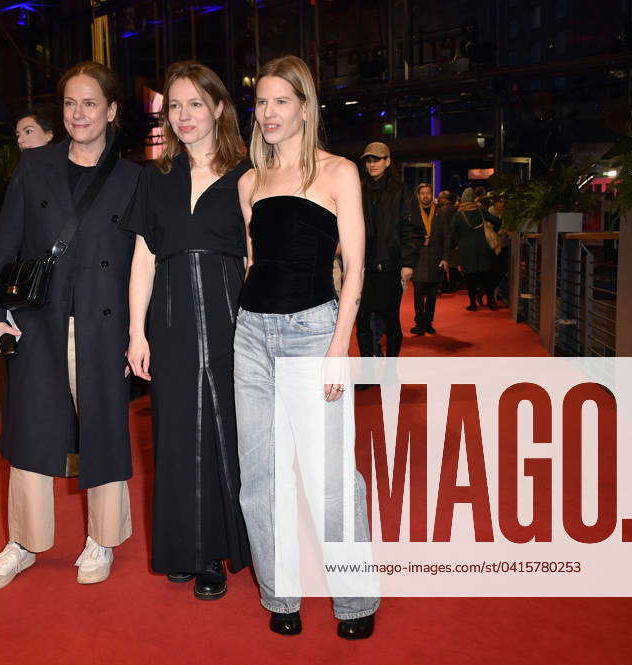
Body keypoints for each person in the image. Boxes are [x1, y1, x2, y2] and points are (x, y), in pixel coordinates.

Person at [0, 61, 141, 590]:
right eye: (70, 103)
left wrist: (142, 332)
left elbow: (148, 260)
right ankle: (23, 543)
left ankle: (103, 539)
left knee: (104, 429)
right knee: (29, 429)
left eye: (90, 103)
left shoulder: (135, 178)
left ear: (112, 111)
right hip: (38, 321)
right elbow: (4, 244)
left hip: (104, 324)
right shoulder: (35, 165)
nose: (79, 113)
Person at [234, 55, 378, 639]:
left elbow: (357, 265)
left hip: (314, 329)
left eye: (280, 102)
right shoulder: (249, 181)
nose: (268, 113)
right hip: (251, 337)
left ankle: (354, 600)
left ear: (304, 107)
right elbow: (250, 261)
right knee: (260, 475)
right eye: (262, 103)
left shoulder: (339, 172)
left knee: (330, 475)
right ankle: (279, 592)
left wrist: (341, 343)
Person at [123, 61, 251, 600]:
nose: (183, 115)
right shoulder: (155, 179)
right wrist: (136, 333)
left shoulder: (248, 174)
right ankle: (185, 549)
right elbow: (143, 259)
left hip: (231, 320)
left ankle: (217, 554)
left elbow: (254, 260)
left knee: (227, 434)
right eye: (174, 106)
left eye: (195, 103)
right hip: (171, 323)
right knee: (177, 439)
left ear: (219, 107)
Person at [355, 141, 422, 358]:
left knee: (391, 320)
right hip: (363, 268)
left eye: (377, 159)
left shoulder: (400, 190)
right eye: (369, 160)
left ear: (388, 161)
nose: (372, 164)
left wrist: (408, 263)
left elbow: (410, 228)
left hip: (390, 266)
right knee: (362, 320)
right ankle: (368, 370)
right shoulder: (359, 189)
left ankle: (390, 372)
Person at [409, 183, 452, 335]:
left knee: (433, 295)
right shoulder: (412, 214)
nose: (425, 196)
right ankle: (419, 323)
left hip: (436, 259)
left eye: (428, 193)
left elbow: (447, 237)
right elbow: (407, 236)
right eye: (422, 193)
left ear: (431, 195)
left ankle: (428, 323)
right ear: (418, 196)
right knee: (418, 294)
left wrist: (446, 258)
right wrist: (421, 240)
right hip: (418, 259)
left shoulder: (440, 213)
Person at [451, 186, 501, 311]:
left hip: (466, 249)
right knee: (486, 275)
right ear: (473, 199)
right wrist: (492, 231)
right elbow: (497, 221)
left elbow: (451, 232)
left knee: (470, 277)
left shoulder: (458, 214)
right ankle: (490, 301)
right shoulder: (480, 210)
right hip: (482, 246)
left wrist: (458, 242)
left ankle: (472, 303)